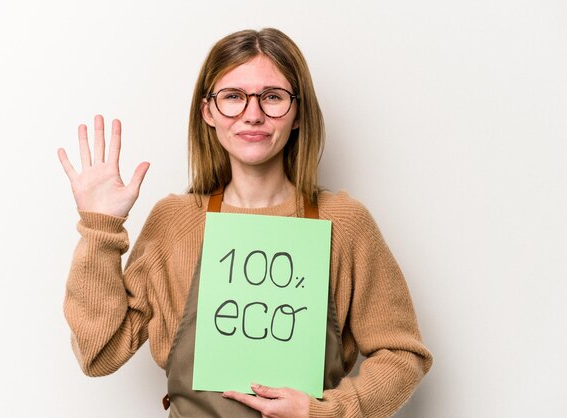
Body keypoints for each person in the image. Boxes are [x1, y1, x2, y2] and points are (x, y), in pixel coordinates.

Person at [58, 28, 432, 418]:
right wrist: (101, 228)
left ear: (299, 112)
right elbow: (98, 354)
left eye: (272, 97)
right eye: (233, 97)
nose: (252, 114)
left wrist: (327, 412)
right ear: (208, 112)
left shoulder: (345, 224)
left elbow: (403, 354)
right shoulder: (174, 222)